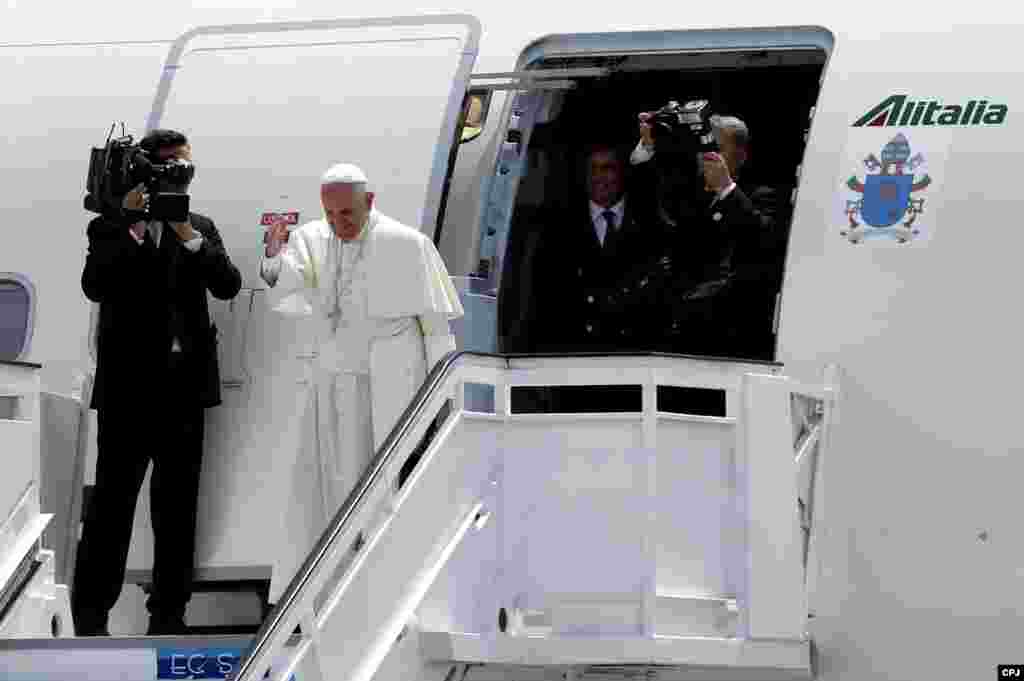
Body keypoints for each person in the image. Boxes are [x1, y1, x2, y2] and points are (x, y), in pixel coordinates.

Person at [259, 162, 463, 604]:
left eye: (346, 214)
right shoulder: (315, 238)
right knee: (327, 490)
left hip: (391, 386)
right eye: (330, 214)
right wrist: (274, 257)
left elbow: (435, 327)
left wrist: (443, 399)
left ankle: (387, 588)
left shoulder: (408, 244)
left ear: (369, 201)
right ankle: (329, 590)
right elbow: (286, 285)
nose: (338, 224)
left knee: (386, 488)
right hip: (332, 388)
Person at [74, 129, 242, 636]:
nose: (176, 175)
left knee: (177, 511)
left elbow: (228, 284)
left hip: (184, 393)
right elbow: (95, 285)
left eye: (183, 168)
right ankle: (91, 614)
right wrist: (128, 218)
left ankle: (168, 615)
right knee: (111, 506)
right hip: (127, 393)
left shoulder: (200, 227)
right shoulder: (110, 226)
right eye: (167, 166)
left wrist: (189, 234)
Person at [628, 113, 789, 359]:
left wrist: (726, 188)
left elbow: (766, 240)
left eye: (717, 149)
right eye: (704, 149)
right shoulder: (688, 193)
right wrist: (649, 145)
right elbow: (645, 207)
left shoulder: (761, 195)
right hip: (681, 333)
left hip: (731, 337)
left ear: (741, 156)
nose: (707, 157)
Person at [519, 142, 666, 412]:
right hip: (575, 363)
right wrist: (534, 361)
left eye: (608, 168)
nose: (601, 177)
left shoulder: (651, 225)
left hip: (632, 366)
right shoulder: (559, 227)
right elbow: (541, 299)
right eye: (594, 170)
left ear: (622, 174)